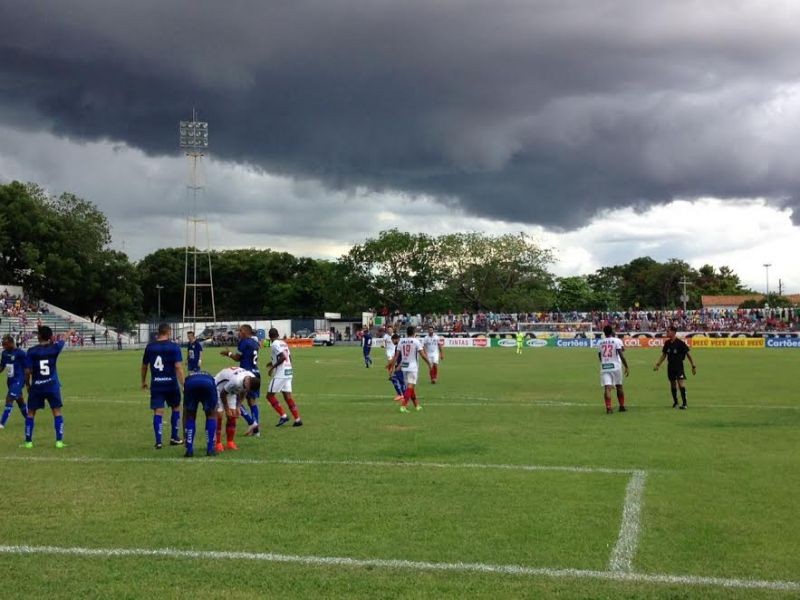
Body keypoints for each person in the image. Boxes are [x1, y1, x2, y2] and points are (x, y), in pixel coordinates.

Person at [23, 326, 70, 448]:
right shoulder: (54, 349)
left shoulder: (31, 351)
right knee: (56, 411)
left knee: (31, 412)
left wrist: (28, 385)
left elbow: (27, 371)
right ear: (50, 337)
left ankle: (28, 442)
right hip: (52, 386)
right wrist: (70, 332)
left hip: (37, 387)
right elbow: (63, 340)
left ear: (39, 337)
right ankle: (59, 442)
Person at [141, 323, 184, 449]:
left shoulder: (150, 347)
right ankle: (174, 437)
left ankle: (158, 441)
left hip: (157, 384)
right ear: (169, 332)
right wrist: (183, 383)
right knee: (176, 408)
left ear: (158, 332)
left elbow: (144, 366)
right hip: (171, 384)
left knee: (158, 411)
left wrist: (143, 381)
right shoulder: (174, 347)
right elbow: (178, 367)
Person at [221, 325, 261, 436]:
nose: (238, 333)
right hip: (256, 373)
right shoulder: (255, 342)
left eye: (240, 331)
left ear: (244, 332)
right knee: (252, 401)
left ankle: (251, 422)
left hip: (246, 375)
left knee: (236, 400)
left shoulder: (243, 342)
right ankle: (256, 429)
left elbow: (237, 358)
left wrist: (228, 353)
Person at [213, 366, 260, 451]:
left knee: (233, 414)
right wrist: (226, 409)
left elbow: (244, 392)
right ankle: (217, 443)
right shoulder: (236, 381)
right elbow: (223, 394)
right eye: (248, 387)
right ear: (248, 381)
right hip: (218, 388)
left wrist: (238, 406)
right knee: (219, 414)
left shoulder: (250, 379)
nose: (247, 389)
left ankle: (230, 442)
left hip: (230, 390)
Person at [266, 327, 302, 427]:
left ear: (269, 336)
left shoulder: (274, 344)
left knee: (269, 396)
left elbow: (282, 357)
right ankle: (297, 419)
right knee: (287, 397)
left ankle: (283, 415)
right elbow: (289, 357)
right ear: (278, 335)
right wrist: (272, 362)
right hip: (288, 371)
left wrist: (272, 367)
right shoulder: (283, 343)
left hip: (281, 373)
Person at [653, 325, 697, 409]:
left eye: (668, 331)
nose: (667, 332)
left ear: (673, 332)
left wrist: (693, 365)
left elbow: (688, 354)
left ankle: (684, 403)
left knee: (681, 384)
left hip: (679, 367)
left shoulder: (680, 343)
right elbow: (664, 355)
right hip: (670, 367)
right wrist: (658, 364)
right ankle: (676, 402)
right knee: (673, 384)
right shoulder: (667, 343)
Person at [391, 325, 430, 413]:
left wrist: (393, 367)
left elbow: (396, 356)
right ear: (414, 332)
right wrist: (429, 363)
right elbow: (422, 355)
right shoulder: (416, 341)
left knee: (410, 387)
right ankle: (403, 405)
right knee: (410, 387)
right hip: (412, 367)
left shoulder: (401, 341)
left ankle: (416, 405)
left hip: (404, 367)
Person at [182, 370, 219, 457]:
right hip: (208, 385)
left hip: (190, 385)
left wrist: (185, 435)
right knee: (211, 415)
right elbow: (215, 413)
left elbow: (185, 413)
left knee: (190, 415)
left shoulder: (188, 377)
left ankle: (189, 449)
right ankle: (210, 449)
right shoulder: (211, 377)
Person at [597, 324, 629, 414]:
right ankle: (622, 406)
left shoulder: (600, 342)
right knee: (619, 386)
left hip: (605, 366)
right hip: (616, 366)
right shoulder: (617, 341)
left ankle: (608, 408)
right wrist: (626, 366)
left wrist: (604, 363)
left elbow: (600, 356)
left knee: (607, 388)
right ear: (612, 332)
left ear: (604, 333)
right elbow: (621, 354)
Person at [0, 335, 27, 429]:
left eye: (5, 344)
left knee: (9, 398)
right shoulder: (4, 353)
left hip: (19, 380)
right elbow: (2, 366)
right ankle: (29, 419)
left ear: (11, 343)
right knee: (20, 400)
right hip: (10, 380)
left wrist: (27, 382)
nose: (3, 346)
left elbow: (28, 368)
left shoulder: (21, 353)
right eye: (3, 344)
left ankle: (1, 423)